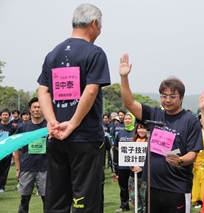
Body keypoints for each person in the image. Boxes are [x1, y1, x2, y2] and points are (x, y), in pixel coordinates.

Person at [37, 3, 111, 212]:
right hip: (85, 137)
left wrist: (52, 121)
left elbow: (43, 91)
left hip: (56, 136)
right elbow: (90, 91)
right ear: (94, 23)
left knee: (56, 198)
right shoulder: (95, 53)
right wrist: (73, 123)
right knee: (85, 200)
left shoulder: (53, 54)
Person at [119, 53, 203, 213]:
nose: (167, 100)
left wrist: (179, 160)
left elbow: (193, 153)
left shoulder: (190, 120)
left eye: (172, 96)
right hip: (152, 185)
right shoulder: (154, 114)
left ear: (182, 98)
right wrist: (124, 77)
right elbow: (129, 103)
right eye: (164, 96)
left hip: (177, 188)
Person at [14, 97, 47, 213]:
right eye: (35, 107)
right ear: (30, 109)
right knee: (24, 199)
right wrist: (18, 168)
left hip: (45, 168)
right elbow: (16, 149)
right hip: (27, 168)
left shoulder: (49, 126)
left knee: (47, 200)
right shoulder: (22, 127)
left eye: (40, 107)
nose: (37, 109)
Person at [114, 112, 136, 212]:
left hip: (134, 166)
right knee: (123, 187)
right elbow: (116, 148)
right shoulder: (119, 133)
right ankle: (124, 205)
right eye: (126, 119)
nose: (127, 120)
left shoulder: (136, 132)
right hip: (122, 166)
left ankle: (137, 205)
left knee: (135, 187)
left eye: (129, 119)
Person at [191, 111, 204, 209]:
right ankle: (197, 199)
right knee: (196, 180)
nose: (202, 120)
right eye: (200, 118)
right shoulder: (196, 131)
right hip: (197, 159)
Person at [128, 123, 148, 213]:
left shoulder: (150, 143)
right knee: (135, 200)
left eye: (144, 128)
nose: (141, 131)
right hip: (133, 176)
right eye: (139, 128)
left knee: (146, 200)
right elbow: (127, 158)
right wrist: (132, 167)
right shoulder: (132, 143)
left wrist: (142, 168)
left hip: (146, 177)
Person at [0, 109, 16, 193]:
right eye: (3, 115)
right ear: (0, 116)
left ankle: (1, 187)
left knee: (4, 170)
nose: (5, 116)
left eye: (6, 115)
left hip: (7, 151)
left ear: (9, 116)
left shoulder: (13, 127)